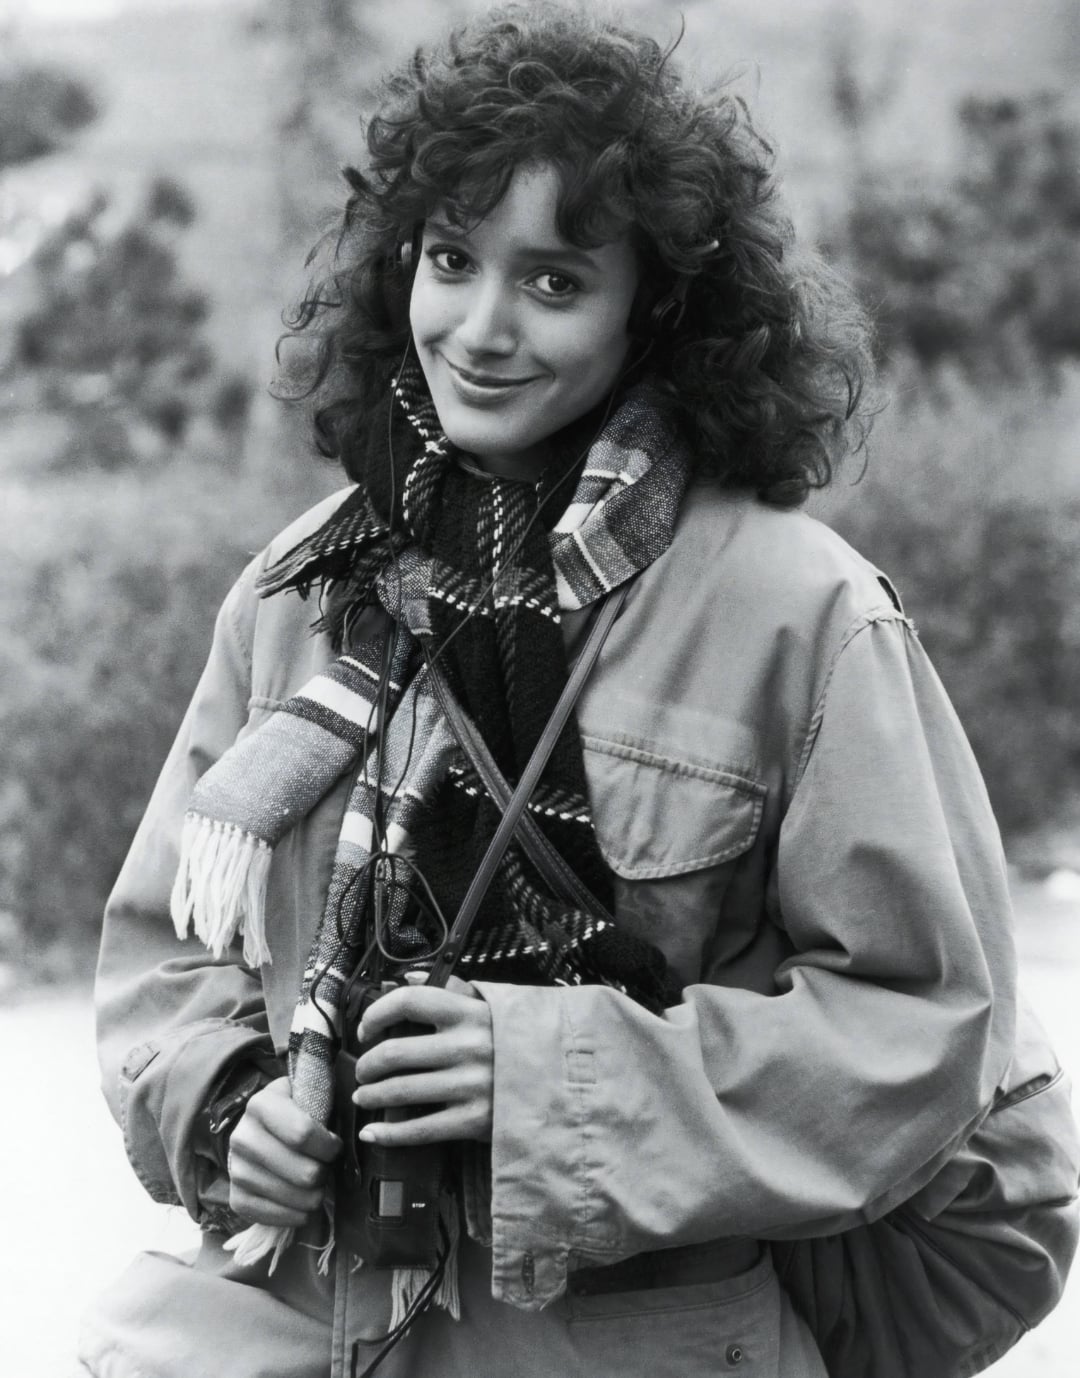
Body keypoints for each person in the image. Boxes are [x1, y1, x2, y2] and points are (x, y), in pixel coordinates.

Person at [79, 6, 1072, 1377]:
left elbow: (921, 1029)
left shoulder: (803, 610)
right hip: (301, 1309)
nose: (480, 328)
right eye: (449, 260)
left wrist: (552, 1079)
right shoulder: (305, 585)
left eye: (553, 282)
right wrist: (229, 1104)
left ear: (654, 309)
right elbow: (162, 958)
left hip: (629, 1330)